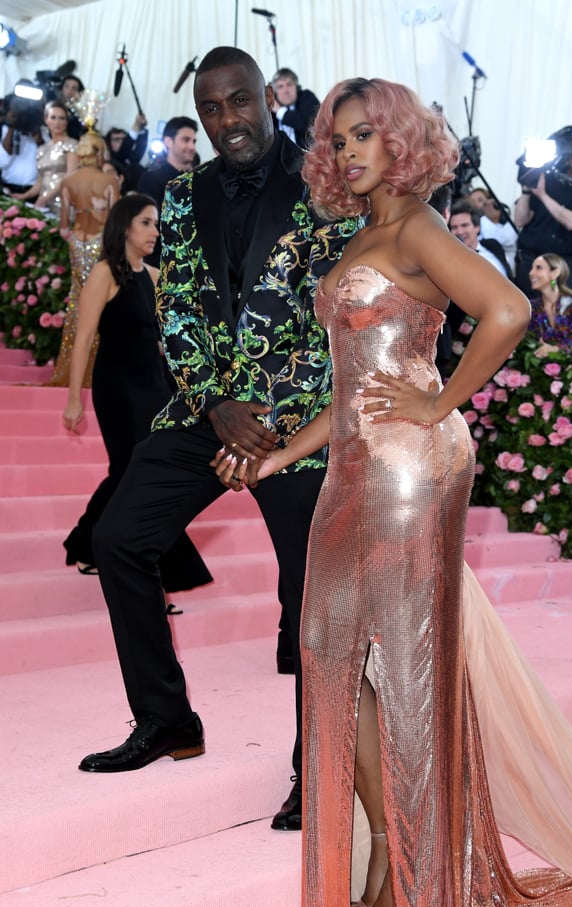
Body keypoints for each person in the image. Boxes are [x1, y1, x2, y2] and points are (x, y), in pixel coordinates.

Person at [214, 76, 572, 907]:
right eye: (337, 140)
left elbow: (506, 310)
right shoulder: (365, 234)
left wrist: (439, 407)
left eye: (364, 136)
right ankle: (396, 845)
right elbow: (353, 384)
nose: (349, 153)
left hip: (407, 469)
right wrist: (279, 456)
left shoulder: (420, 227)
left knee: (399, 665)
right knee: (330, 652)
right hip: (354, 460)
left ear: (399, 141)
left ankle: (414, 871)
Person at [79, 47, 360, 837]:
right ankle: (166, 719)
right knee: (119, 537)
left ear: (267, 102)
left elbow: (338, 311)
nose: (228, 120)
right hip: (210, 412)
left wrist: (266, 419)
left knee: (310, 591)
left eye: (240, 102)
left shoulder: (325, 186)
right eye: (212, 109)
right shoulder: (176, 195)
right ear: (199, 116)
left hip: (300, 421)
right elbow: (180, 315)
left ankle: (321, 766)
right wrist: (215, 406)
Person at [61, 193, 212, 600]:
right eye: (146, 222)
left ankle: (86, 543)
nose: (154, 232)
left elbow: (170, 337)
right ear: (125, 225)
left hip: (155, 385)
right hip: (118, 385)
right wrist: (74, 397)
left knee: (134, 471)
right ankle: (149, 574)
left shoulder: (156, 276)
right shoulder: (104, 273)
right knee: (129, 467)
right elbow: (84, 339)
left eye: (157, 224)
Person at [47, 129, 120, 387]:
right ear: (99, 152)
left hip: (78, 242)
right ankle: (95, 370)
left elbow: (64, 225)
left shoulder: (69, 182)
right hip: (101, 242)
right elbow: (116, 224)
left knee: (78, 302)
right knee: (100, 301)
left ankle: (72, 367)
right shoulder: (108, 182)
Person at [514, 129, 572, 293]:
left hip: (562, 264)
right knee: (523, 312)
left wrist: (542, 195)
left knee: (556, 315)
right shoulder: (547, 175)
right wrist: (527, 190)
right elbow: (520, 220)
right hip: (530, 260)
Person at [136, 116, 197, 265]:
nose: (192, 146)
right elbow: (150, 225)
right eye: (186, 140)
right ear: (168, 142)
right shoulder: (152, 178)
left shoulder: (197, 180)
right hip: (158, 262)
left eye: (194, 141)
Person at [10, 100, 79, 215]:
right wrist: (24, 196)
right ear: (46, 120)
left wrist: (45, 197)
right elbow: (40, 181)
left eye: (62, 118)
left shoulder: (72, 144)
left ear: (67, 122)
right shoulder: (42, 148)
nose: (57, 122)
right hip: (44, 203)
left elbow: (70, 176)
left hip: (62, 201)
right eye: (53, 117)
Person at [528, 252, 572, 357]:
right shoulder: (532, 307)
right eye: (532, 268)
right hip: (542, 367)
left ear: (555, 273)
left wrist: (556, 349)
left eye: (538, 268)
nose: (531, 273)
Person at [449, 199, 513, 278]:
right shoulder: (450, 259)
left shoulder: (493, 245)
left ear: (477, 227)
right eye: (454, 227)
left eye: (464, 225)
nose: (460, 232)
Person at [467, 185, 517, 266]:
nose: (475, 205)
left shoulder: (507, 226)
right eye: (472, 201)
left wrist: (484, 217)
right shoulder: (470, 228)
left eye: (480, 200)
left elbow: (501, 239)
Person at [0, 97, 42, 193]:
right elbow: (2, 161)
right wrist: (12, 125)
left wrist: (37, 126)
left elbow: (47, 159)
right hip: (8, 187)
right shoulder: (3, 129)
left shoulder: (41, 131)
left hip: (33, 189)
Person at [271, 67, 319, 149]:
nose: (286, 90)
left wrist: (280, 111)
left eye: (289, 84)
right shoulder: (270, 108)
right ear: (275, 91)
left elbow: (310, 126)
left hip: (307, 155)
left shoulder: (307, 98)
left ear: (296, 87)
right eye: (280, 86)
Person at [104, 115, 149, 192]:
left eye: (123, 139)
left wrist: (141, 129)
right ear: (108, 143)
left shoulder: (129, 159)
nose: (121, 142)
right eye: (116, 139)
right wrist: (136, 127)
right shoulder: (111, 159)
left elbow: (138, 152)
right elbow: (123, 151)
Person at [59, 74, 86, 140]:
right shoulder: (53, 108)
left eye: (74, 88)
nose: (69, 91)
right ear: (61, 89)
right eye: (67, 87)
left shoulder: (81, 113)